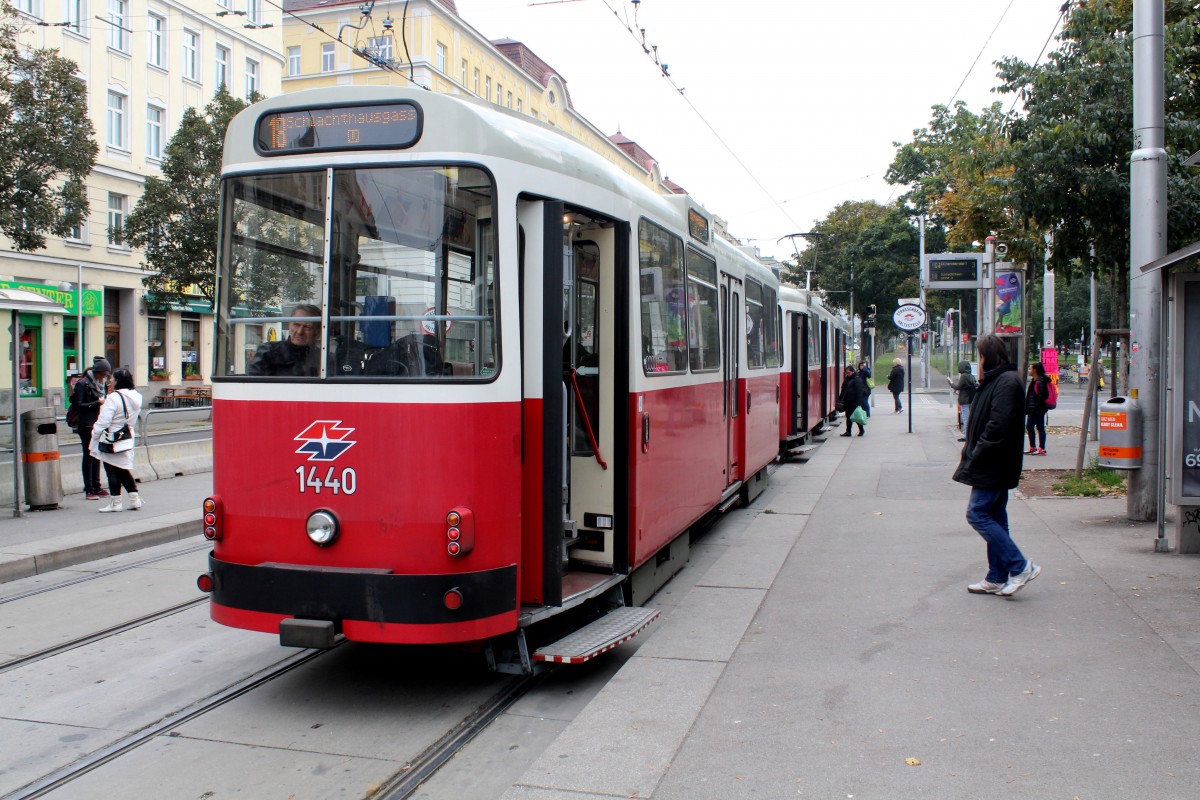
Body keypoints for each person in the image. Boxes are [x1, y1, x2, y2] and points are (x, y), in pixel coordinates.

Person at [953, 334, 1040, 597]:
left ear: (988, 356)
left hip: (993, 461)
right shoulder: (1000, 379)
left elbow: (998, 425)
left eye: (979, 355)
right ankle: (997, 576)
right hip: (995, 460)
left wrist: (976, 451)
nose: (977, 361)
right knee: (996, 517)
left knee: (977, 514)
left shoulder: (1005, 382)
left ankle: (1020, 566)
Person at [90, 368, 144, 513]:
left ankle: (116, 502)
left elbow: (103, 421)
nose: (110, 381)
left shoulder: (113, 398)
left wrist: (94, 435)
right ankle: (134, 499)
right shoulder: (137, 396)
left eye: (112, 378)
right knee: (123, 470)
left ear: (118, 381)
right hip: (127, 436)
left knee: (112, 470)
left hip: (111, 438)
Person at [70, 358, 111, 500]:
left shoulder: (101, 384)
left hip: (97, 423)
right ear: (98, 372)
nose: (105, 377)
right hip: (86, 424)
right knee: (88, 455)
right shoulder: (83, 383)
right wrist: (97, 403)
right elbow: (79, 405)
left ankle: (97, 487)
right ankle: (89, 489)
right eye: (104, 374)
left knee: (97, 455)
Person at [248, 304, 321, 376]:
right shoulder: (268, 352)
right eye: (296, 325)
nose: (299, 332)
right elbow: (254, 384)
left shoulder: (322, 357)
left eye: (307, 327)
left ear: (317, 331)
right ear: (289, 325)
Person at [947, 360, 978, 442]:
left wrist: (951, 383)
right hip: (971, 399)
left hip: (964, 400)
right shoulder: (971, 376)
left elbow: (958, 386)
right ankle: (970, 434)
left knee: (965, 418)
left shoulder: (964, 376)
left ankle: (966, 435)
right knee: (970, 417)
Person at [1025, 361, 1051, 456]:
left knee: (1040, 428)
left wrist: (1036, 408)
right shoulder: (1035, 380)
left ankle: (1042, 448)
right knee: (1029, 427)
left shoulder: (1040, 382)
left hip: (1037, 410)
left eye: (1030, 368)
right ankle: (1033, 447)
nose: (1029, 370)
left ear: (1035, 370)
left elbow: (1041, 397)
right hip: (1033, 410)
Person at [838, 366, 866, 437]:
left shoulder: (857, 379)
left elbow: (859, 392)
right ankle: (848, 431)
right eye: (846, 373)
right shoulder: (847, 379)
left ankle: (861, 430)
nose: (847, 374)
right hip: (847, 401)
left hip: (854, 402)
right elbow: (843, 389)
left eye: (848, 372)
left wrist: (859, 404)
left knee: (856, 416)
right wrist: (840, 398)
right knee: (848, 416)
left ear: (853, 371)